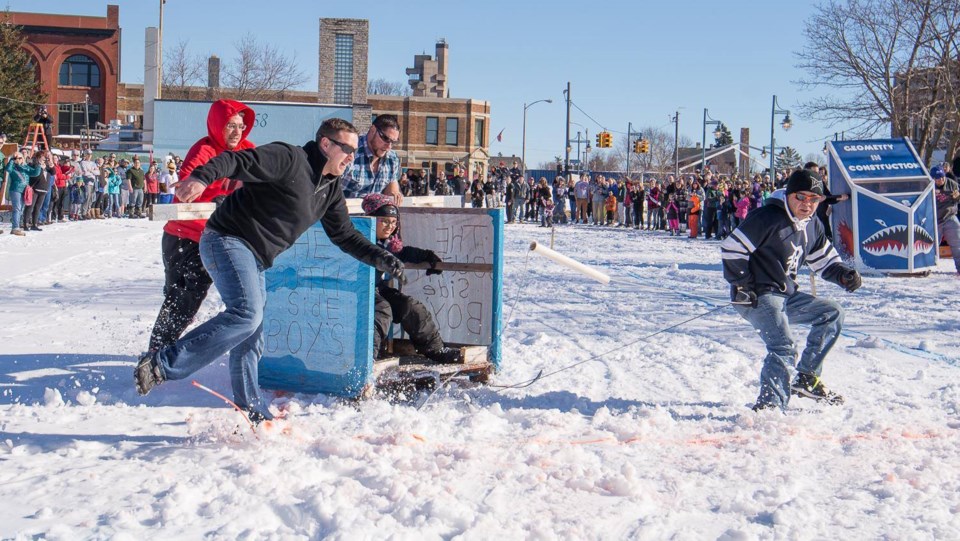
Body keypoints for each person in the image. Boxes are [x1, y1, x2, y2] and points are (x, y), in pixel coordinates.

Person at [135, 117, 404, 424]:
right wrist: (200, 177)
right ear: (326, 144)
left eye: (356, 151)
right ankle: (162, 363)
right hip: (227, 239)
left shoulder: (329, 190)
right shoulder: (289, 159)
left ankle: (252, 408)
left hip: (256, 257)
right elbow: (235, 161)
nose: (352, 157)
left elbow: (344, 235)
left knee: (252, 333)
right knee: (247, 314)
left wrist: (382, 259)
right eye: (347, 149)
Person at [721, 169, 862, 412]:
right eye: (801, 197)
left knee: (832, 313)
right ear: (788, 194)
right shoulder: (767, 217)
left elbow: (824, 260)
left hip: (785, 295)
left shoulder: (813, 225)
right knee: (783, 345)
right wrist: (743, 284)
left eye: (814, 199)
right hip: (758, 294)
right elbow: (732, 249)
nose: (807, 204)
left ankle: (807, 377)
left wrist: (843, 274)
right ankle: (770, 407)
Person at [147, 99, 256, 355]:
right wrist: (216, 194)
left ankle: (161, 351)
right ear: (218, 125)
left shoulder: (248, 150)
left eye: (241, 126)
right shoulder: (204, 150)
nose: (236, 131)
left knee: (192, 297)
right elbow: (187, 189)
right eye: (230, 125)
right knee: (180, 298)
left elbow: (262, 176)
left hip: (218, 238)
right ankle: (157, 354)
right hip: (185, 237)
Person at [362, 194, 462, 364]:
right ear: (371, 219)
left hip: (380, 290)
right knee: (382, 310)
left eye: (393, 222)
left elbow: (405, 253)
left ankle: (435, 349)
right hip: (361, 290)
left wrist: (428, 257)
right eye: (384, 221)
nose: (389, 227)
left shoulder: (388, 244)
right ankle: (367, 358)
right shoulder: (361, 241)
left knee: (410, 307)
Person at [341, 114, 404, 204]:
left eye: (393, 142)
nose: (389, 146)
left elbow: (391, 190)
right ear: (372, 130)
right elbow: (329, 189)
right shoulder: (351, 152)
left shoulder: (392, 158)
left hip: (374, 216)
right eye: (385, 138)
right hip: (343, 214)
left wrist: (395, 194)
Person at [5, 151, 43, 236]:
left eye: (20, 158)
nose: (18, 160)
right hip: (16, 189)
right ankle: (15, 228)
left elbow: (35, 173)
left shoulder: (25, 167)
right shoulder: (13, 167)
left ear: (23, 158)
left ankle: (16, 226)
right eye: (16, 158)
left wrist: (38, 164)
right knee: (17, 208)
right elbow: (8, 169)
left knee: (21, 208)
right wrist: (12, 160)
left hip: (25, 190)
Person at [931, 165, 960, 273]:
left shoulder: (952, 183)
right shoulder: (929, 186)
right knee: (932, 246)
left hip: (950, 217)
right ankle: (927, 267)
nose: (941, 180)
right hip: (934, 220)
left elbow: (958, 197)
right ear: (933, 178)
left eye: (942, 177)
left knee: (957, 244)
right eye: (938, 178)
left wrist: (958, 196)